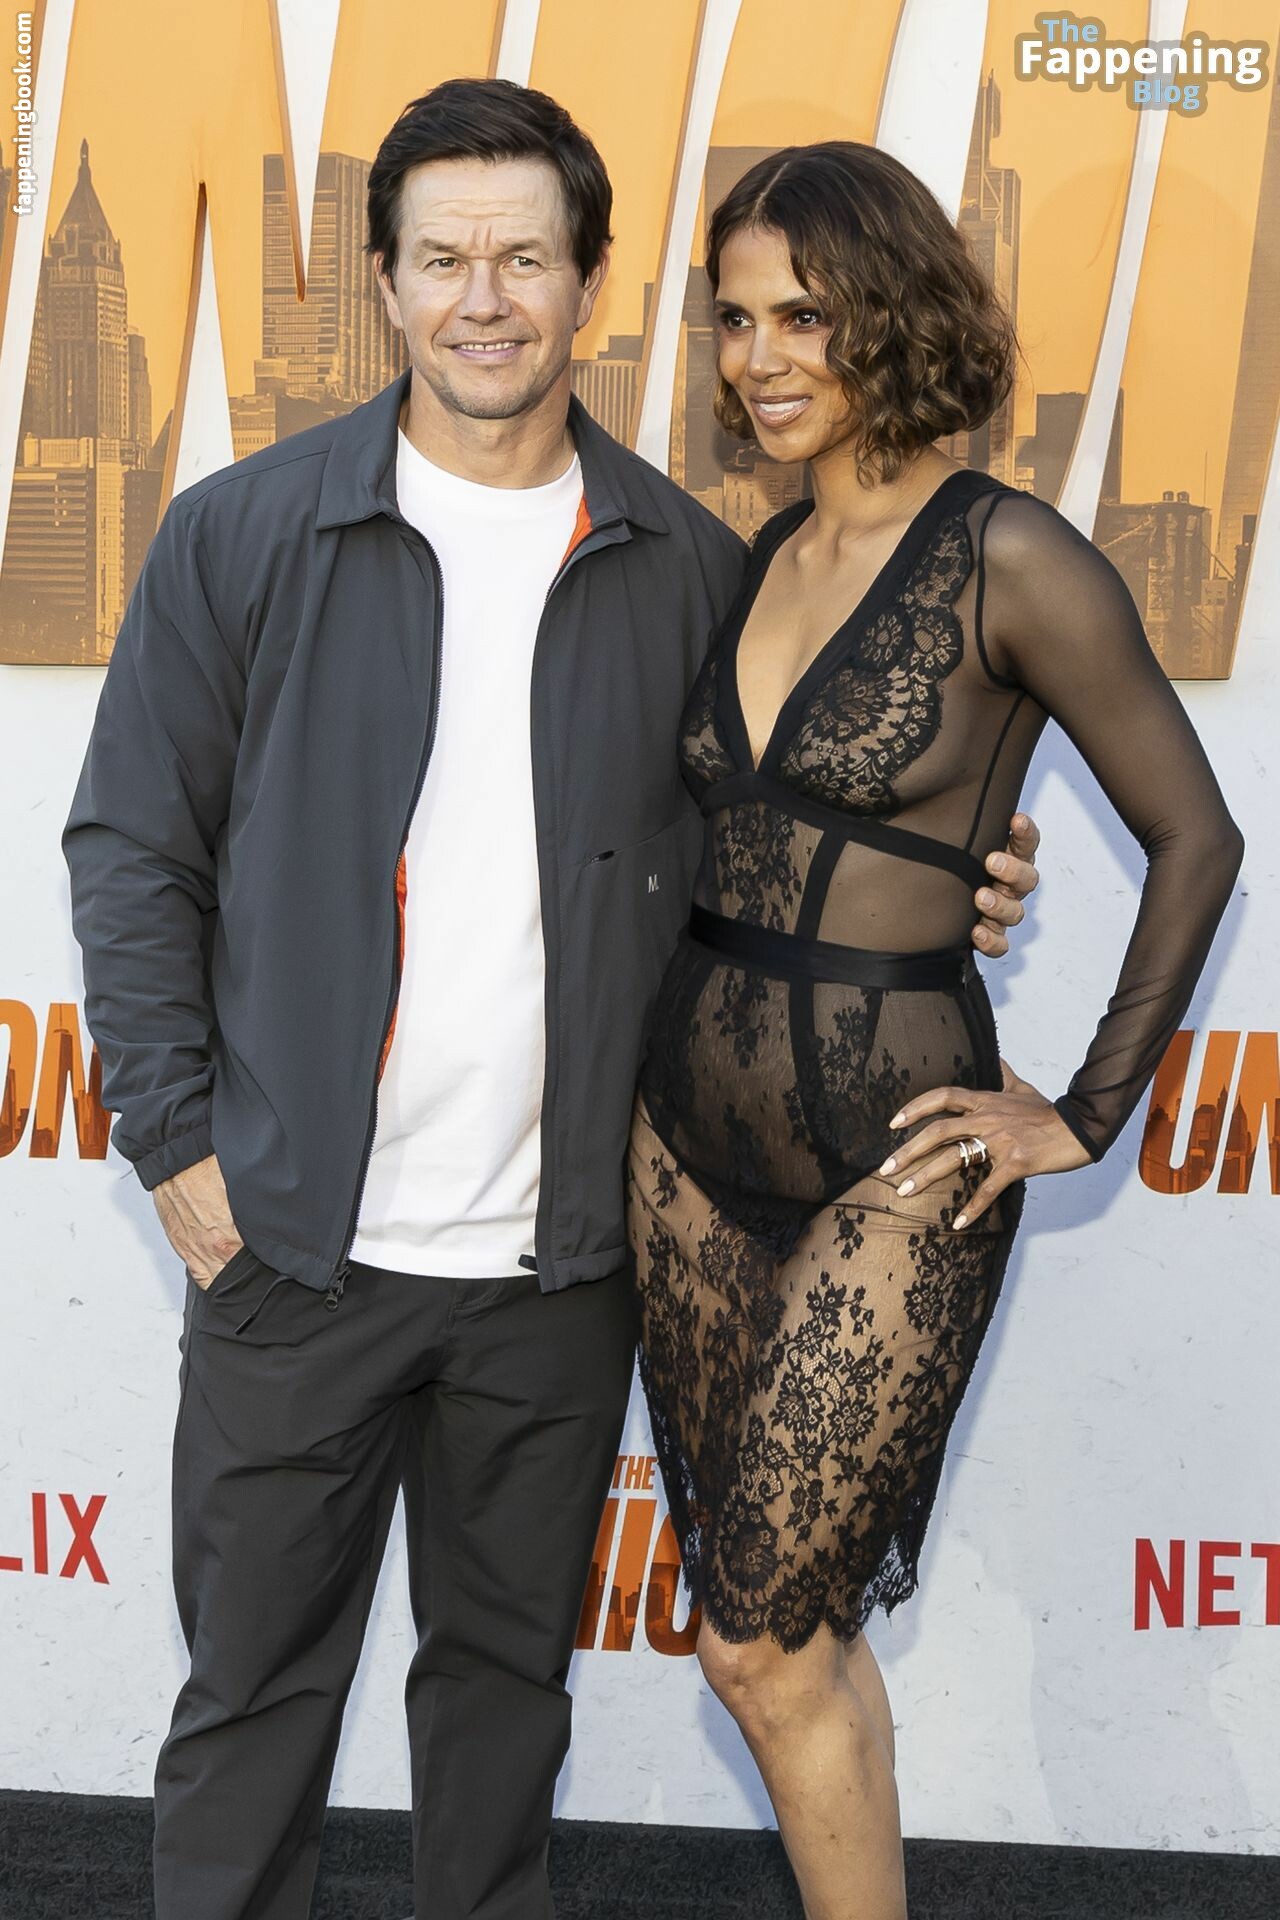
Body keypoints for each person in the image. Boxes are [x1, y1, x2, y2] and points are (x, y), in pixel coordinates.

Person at [61, 82, 1040, 1920]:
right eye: (443, 258)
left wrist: (958, 874)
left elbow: (796, 821)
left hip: (564, 1267)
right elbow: (130, 848)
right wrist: (177, 1141)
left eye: (524, 257)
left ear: (590, 283)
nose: (484, 298)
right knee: (251, 1705)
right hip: (290, 1250)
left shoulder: (694, 563)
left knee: (505, 1707)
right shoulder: (242, 533)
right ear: (384, 281)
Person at [625, 139, 1246, 1920]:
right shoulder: (764, 551)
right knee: (794, 1640)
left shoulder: (1010, 554)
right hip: (680, 1150)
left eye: (804, 315)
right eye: (736, 319)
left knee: (754, 1643)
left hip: (895, 1158)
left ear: (892, 312)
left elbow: (1196, 837)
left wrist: (1090, 1107)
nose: (761, 357)